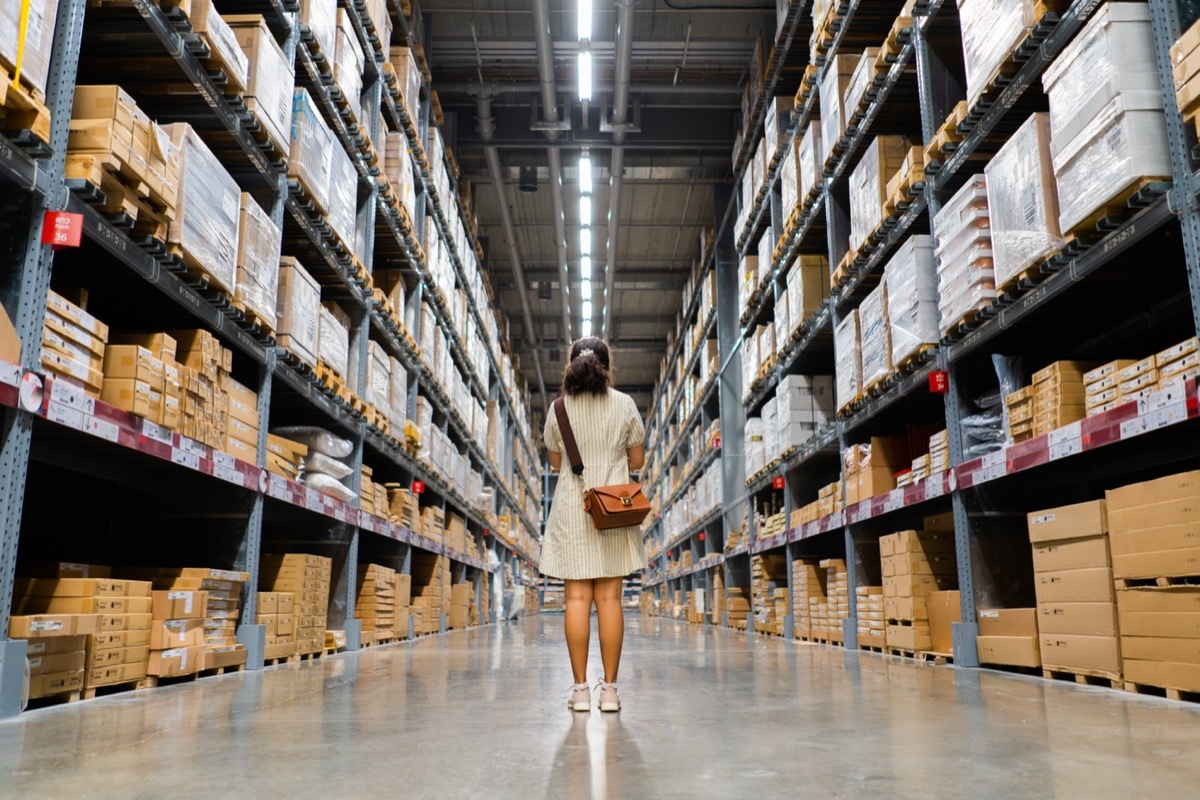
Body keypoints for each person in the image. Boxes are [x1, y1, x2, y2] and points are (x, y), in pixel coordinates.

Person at [541, 337, 647, 713]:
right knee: (609, 600)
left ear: (570, 366)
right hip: (612, 511)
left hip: (573, 511)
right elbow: (636, 460)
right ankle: (611, 692)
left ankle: (581, 691)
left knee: (576, 600)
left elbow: (555, 464)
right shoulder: (625, 405)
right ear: (607, 367)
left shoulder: (558, 409)